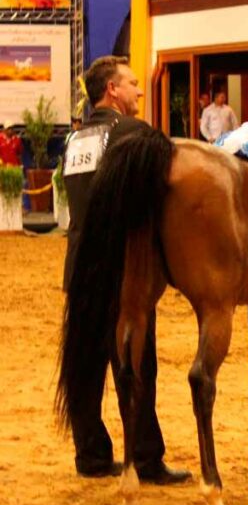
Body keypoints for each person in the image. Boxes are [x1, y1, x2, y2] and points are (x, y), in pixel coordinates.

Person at [62, 55, 190, 483]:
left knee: (85, 361)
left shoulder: (75, 138)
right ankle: (147, 457)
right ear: (112, 90)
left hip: (80, 262)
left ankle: (92, 455)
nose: (139, 90)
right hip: (121, 267)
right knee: (134, 366)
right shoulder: (132, 134)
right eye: (132, 84)